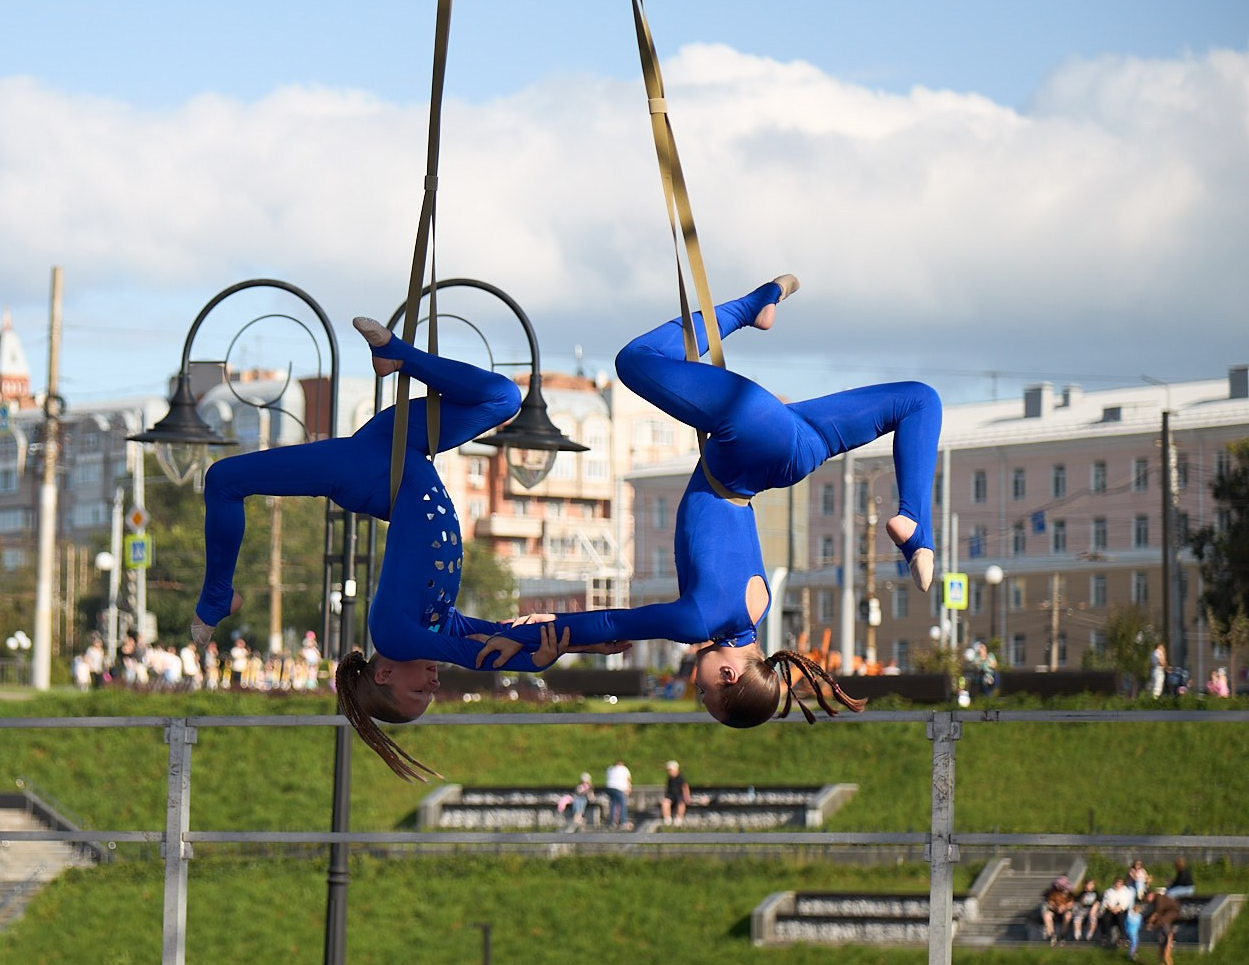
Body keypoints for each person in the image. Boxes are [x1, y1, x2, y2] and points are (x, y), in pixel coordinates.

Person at [190, 318, 628, 779]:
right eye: (430, 695)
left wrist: (522, 660)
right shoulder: (437, 621)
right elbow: (495, 632)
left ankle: (217, 595)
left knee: (223, 480)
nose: (434, 685)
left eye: (419, 693)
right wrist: (583, 642)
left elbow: (470, 656)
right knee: (504, 397)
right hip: (401, 455)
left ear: (384, 675)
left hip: (364, 470)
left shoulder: (395, 634)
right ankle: (396, 354)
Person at [545, 278, 941, 729]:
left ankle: (917, 526)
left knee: (918, 400)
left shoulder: (760, 606)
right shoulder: (699, 621)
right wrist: (553, 630)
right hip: (748, 443)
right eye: (704, 689)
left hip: (791, 455)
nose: (696, 681)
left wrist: (571, 638)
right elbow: (615, 624)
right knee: (635, 361)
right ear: (729, 675)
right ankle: (751, 306)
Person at [1144, 889, 1183, 965]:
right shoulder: (1155, 901)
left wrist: (1150, 922)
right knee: (1161, 955)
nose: (1148, 901)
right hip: (1162, 935)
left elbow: (1156, 912)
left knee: (1166, 955)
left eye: (1148, 898)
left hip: (1174, 910)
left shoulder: (1159, 899)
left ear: (1151, 895)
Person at [1099, 874, 1135, 947]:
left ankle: (1123, 937)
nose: (1118, 884)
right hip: (1110, 909)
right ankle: (1106, 936)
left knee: (1120, 919)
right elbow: (1105, 902)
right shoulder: (1109, 891)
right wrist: (1111, 908)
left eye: (1120, 883)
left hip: (1121, 910)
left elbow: (1126, 902)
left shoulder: (1126, 891)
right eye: (1117, 882)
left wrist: (1119, 908)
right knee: (1106, 919)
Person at [1039, 876, 1075, 944]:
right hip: (1054, 910)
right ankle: (1051, 935)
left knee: (1068, 916)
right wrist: (1056, 908)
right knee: (1047, 916)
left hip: (1065, 911)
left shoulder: (1070, 893)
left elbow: (1071, 903)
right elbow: (1050, 903)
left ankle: (1062, 935)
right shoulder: (1053, 892)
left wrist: (1064, 907)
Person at [604, 759, 633, 828]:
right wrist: (629, 788)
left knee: (613, 804)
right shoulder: (624, 769)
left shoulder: (610, 769)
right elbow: (628, 779)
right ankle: (623, 821)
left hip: (610, 788)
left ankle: (612, 822)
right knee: (622, 804)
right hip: (619, 788)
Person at [660, 760, 690, 826]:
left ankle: (679, 818)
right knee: (665, 803)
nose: (669, 772)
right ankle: (667, 819)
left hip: (679, 795)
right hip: (671, 795)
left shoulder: (681, 778)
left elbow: (685, 787)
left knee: (681, 804)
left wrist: (687, 797)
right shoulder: (670, 779)